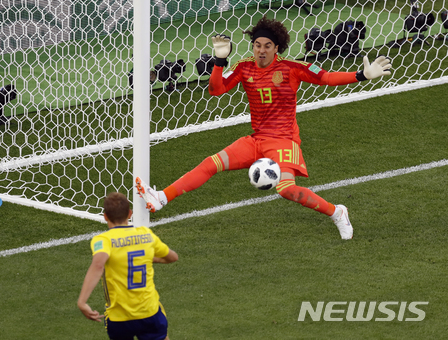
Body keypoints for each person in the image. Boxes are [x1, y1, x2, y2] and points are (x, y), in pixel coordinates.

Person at [136, 16, 392, 240]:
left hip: (284, 141)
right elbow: (216, 91)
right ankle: (161, 197)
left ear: (276, 48)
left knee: (287, 190)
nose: (261, 50)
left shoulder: (292, 68)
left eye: (267, 46)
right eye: (257, 45)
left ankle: (337, 212)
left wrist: (361, 75)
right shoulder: (244, 68)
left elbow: (325, 77)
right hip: (257, 139)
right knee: (211, 163)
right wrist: (219, 61)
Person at [77, 192, 178, 340]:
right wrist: (149, 257)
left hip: (119, 318)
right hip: (149, 313)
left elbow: (98, 264)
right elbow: (172, 257)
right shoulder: (146, 235)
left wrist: (82, 302)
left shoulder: (103, 240)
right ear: (130, 214)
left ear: (105, 216)